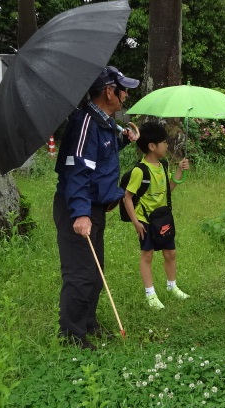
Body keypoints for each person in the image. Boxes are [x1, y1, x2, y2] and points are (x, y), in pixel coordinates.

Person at [53, 66, 139, 350]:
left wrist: (123, 139)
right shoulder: (85, 123)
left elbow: (99, 156)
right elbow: (76, 170)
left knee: (95, 270)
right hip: (78, 209)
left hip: (95, 208)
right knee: (80, 274)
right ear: (109, 92)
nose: (126, 96)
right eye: (123, 90)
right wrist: (80, 214)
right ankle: (71, 336)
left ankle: (88, 322)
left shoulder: (101, 122)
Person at [123, 122, 191, 310]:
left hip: (163, 218)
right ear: (152, 146)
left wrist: (179, 171)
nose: (167, 145)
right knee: (148, 254)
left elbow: (167, 189)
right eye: (164, 142)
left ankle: (172, 286)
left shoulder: (163, 165)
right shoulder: (140, 171)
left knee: (171, 253)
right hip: (145, 220)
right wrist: (136, 223)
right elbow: (127, 198)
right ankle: (150, 294)